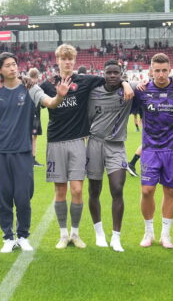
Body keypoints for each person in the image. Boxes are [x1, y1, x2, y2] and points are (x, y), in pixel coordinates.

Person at [38, 44, 132, 249]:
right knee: (60, 191)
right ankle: (63, 235)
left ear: (75, 61)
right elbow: (35, 94)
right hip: (55, 142)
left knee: (78, 190)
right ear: (57, 61)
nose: (68, 62)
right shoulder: (47, 84)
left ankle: (76, 233)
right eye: (64, 59)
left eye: (71, 59)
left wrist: (125, 83)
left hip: (79, 142)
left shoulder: (86, 80)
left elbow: (111, 79)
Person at [0, 53, 66, 253]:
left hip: (22, 151)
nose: (13, 68)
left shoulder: (30, 87)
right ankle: (8, 237)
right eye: (7, 66)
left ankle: (23, 235)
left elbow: (50, 102)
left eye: (14, 64)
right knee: (4, 196)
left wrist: (60, 96)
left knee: (23, 196)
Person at [132, 53, 173, 248]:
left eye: (165, 70)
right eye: (157, 70)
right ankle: (149, 233)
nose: (161, 74)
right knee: (147, 191)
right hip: (150, 149)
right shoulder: (142, 90)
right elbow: (124, 90)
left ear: (170, 71)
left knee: (170, 191)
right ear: (150, 71)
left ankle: (166, 235)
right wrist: (125, 84)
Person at [86, 60, 132, 252]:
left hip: (116, 146)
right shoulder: (93, 93)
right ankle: (99, 234)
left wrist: (127, 84)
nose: (112, 75)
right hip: (95, 143)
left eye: (116, 73)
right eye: (109, 72)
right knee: (94, 190)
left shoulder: (128, 93)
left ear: (122, 74)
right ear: (103, 74)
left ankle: (116, 237)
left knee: (117, 188)